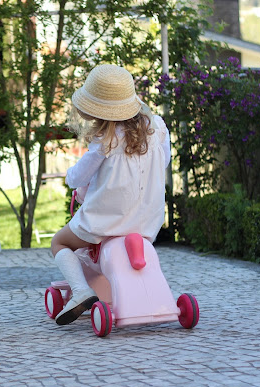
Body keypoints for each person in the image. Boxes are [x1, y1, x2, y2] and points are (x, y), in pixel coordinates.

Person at [51, 64, 171, 326]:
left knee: (59, 242)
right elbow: (164, 162)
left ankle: (81, 291)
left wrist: (70, 176)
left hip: (105, 222)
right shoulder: (158, 129)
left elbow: (78, 178)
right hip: (145, 223)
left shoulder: (105, 140)